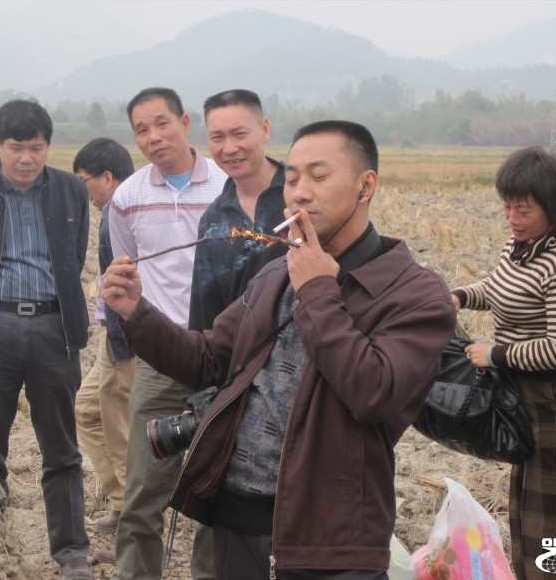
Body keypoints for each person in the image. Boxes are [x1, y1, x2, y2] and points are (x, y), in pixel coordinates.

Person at [101, 120, 457, 579]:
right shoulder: (275, 274)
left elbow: (372, 393)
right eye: (291, 179)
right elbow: (210, 360)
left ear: (366, 186)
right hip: (236, 521)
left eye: (319, 176)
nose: (300, 193)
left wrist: (318, 289)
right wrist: (137, 312)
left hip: (330, 539)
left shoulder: (414, 293)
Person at [0, 99, 93, 579]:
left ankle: (72, 552)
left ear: (48, 146)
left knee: (62, 449)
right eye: (16, 147)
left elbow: (74, 257)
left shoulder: (71, 191)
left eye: (36, 148)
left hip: (54, 331)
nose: (26, 158)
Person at [450, 146, 556, 580]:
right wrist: (461, 296)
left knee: (553, 522)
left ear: (553, 206)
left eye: (523, 209)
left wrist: (494, 354)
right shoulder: (523, 245)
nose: (512, 217)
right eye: (507, 206)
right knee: (526, 511)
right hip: (526, 391)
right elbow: (501, 289)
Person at [109, 87, 225, 580]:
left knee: (222, 491)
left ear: (184, 122)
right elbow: (124, 271)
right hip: (160, 360)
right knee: (142, 493)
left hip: (223, 356)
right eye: (142, 129)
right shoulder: (127, 197)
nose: (153, 136)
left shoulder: (227, 186)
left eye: (162, 123)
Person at [71, 138, 136, 565]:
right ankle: (121, 502)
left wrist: (124, 342)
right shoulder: (114, 210)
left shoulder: (121, 211)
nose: (85, 193)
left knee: (121, 429)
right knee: (88, 409)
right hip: (111, 334)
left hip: (125, 339)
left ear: (106, 177)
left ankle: (135, 531)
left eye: (85, 182)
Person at [189, 88, 287, 332]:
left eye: (239, 134)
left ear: (265, 130)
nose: (230, 148)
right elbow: (206, 310)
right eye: (217, 137)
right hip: (241, 351)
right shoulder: (213, 220)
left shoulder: (301, 195)